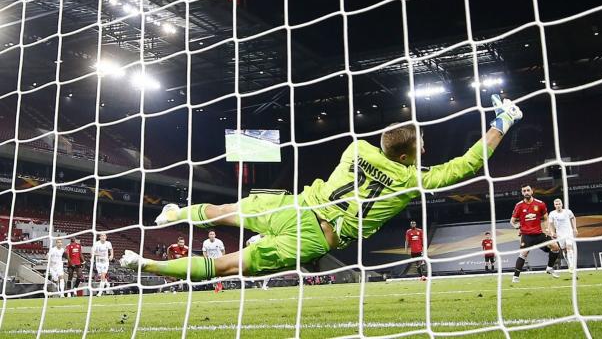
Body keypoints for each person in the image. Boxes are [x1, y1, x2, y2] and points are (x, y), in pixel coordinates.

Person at [121, 95, 522, 282]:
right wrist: (501, 120)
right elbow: (469, 163)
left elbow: (384, 144)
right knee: (229, 265)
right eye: (420, 146)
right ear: (406, 157)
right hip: (314, 235)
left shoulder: (356, 148)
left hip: (296, 204)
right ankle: (148, 265)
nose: (424, 149)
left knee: (225, 212)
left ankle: (176, 213)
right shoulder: (411, 179)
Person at [510, 184, 561, 284]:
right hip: (526, 235)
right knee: (523, 254)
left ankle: (549, 268)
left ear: (532, 191)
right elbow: (512, 221)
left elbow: (546, 218)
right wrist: (516, 227)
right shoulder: (519, 205)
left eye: (528, 190)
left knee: (555, 247)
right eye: (524, 191)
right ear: (522, 193)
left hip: (539, 234)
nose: (526, 192)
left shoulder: (540, 204)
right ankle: (515, 277)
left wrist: (547, 229)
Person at [546, 198, 577, 271]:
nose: (558, 205)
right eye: (556, 204)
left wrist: (575, 228)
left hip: (569, 233)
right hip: (560, 235)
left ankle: (572, 266)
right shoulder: (552, 213)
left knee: (569, 246)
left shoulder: (568, 211)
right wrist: (553, 232)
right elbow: (551, 224)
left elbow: (573, 218)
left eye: (559, 204)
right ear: (554, 205)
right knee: (564, 250)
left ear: (562, 204)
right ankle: (569, 264)